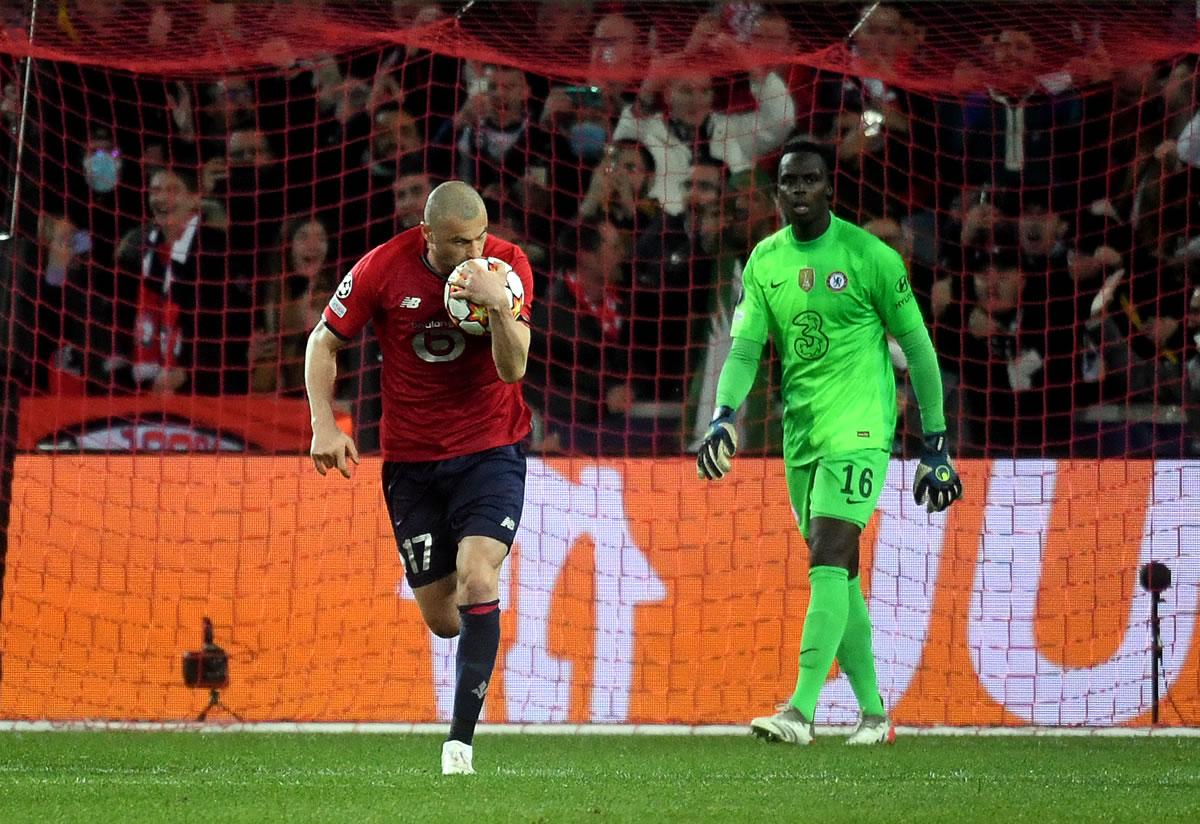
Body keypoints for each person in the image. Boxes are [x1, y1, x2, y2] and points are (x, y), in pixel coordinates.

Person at [696, 141, 963, 745]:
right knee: (837, 572)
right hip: (802, 436)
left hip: (862, 430)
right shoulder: (765, 261)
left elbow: (919, 350)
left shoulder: (871, 258)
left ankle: (800, 710)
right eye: (789, 181)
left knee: (828, 551)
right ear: (777, 192)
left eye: (810, 180)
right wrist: (723, 416)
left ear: (828, 188)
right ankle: (874, 714)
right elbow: (743, 349)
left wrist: (936, 444)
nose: (799, 190)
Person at [304, 181, 533, 776]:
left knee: (479, 577)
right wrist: (324, 425)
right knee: (444, 618)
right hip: (412, 463)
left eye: (480, 236)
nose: (474, 250)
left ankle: (459, 744)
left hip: (491, 449)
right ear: (429, 235)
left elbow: (513, 368)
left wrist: (499, 305)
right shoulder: (384, 268)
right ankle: (480, 626)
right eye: (459, 242)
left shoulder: (507, 268)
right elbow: (322, 342)